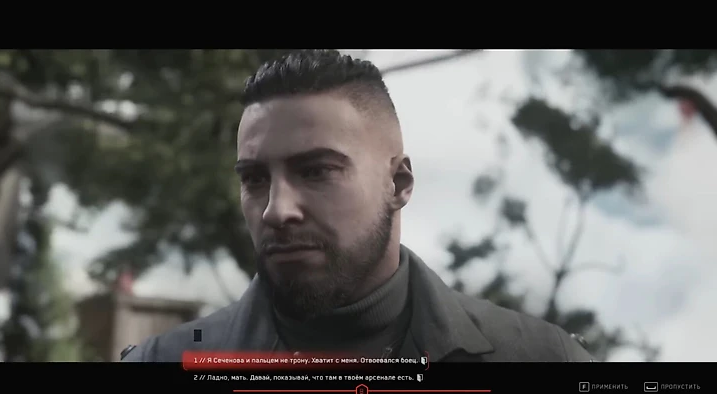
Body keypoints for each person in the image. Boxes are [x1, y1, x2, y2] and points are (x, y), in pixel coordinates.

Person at [122, 49, 594, 363]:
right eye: (255, 179)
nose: (276, 210)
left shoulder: (542, 358)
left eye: (316, 171)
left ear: (399, 183)